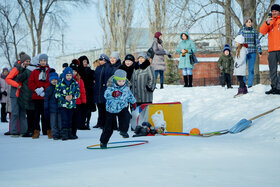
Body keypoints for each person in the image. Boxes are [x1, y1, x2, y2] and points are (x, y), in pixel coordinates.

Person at [100, 69, 136, 148]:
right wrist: (113, 94)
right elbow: (106, 95)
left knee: (126, 117)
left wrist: (133, 102)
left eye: (123, 81)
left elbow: (130, 96)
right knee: (109, 127)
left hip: (122, 107)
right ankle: (103, 141)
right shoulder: (110, 86)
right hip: (111, 109)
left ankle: (123, 131)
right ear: (115, 80)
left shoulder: (126, 88)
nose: (121, 83)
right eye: (119, 81)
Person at [6, 54, 31, 136]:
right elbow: (8, 79)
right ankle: (13, 131)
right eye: (27, 61)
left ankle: (23, 131)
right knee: (15, 112)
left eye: (29, 61)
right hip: (15, 94)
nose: (28, 63)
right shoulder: (16, 68)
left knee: (23, 113)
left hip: (23, 94)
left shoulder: (27, 69)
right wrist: (17, 85)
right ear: (23, 61)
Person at [28, 54, 51, 138]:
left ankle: (47, 130)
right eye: (41, 61)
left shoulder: (49, 71)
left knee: (46, 115)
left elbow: (50, 82)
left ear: (46, 61)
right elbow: (31, 83)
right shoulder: (35, 71)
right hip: (36, 96)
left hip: (45, 96)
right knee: (36, 115)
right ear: (39, 61)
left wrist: (44, 89)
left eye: (44, 61)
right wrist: (37, 89)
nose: (43, 62)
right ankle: (36, 130)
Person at [260, 4, 280, 94]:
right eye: (272, 11)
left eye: (276, 11)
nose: (274, 13)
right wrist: (267, 23)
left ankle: (279, 87)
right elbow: (262, 31)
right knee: (272, 70)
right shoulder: (269, 21)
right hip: (272, 50)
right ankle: (274, 87)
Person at [55, 67, 80, 141]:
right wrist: (64, 97)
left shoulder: (75, 83)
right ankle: (64, 134)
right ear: (64, 75)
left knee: (70, 119)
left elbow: (78, 93)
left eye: (70, 75)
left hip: (72, 105)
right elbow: (56, 94)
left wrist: (72, 96)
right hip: (63, 105)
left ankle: (70, 133)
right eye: (67, 75)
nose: (69, 77)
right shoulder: (60, 83)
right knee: (64, 119)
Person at [238, 17, 262, 88]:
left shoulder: (254, 31)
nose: (250, 23)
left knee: (251, 69)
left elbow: (257, 41)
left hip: (252, 52)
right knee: (243, 68)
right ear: (245, 23)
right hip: (244, 52)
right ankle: (243, 84)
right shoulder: (242, 31)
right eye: (248, 22)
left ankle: (250, 84)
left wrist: (259, 51)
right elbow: (239, 40)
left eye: (250, 22)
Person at [17, 58, 36, 137]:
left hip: (27, 95)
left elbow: (19, 78)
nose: (28, 63)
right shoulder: (35, 71)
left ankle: (30, 131)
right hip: (35, 94)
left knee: (29, 114)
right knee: (34, 114)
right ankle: (35, 129)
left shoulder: (27, 71)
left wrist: (21, 69)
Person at [93, 54, 111, 129]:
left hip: (104, 90)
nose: (101, 61)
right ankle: (100, 122)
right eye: (100, 60)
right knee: (100, 108)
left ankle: (105, 123)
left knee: (105, 108)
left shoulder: (108, 67)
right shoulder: (98, 68)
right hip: (98, 90)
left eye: (103, 60)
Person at [77, 56, 96, 130]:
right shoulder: (79, 70)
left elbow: (93, 77)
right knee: (82, 108)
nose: (85, 63)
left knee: (89, 108)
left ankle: (87, 122)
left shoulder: (90, 70)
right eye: (83, 62)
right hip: (81, 92)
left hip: (89, 92)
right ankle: (81, 122)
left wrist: (89, 71)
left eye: (86, 61)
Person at [71, 64, 86, 138]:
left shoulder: (80, 80)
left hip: (78, 102)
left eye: (75, 71)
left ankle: (74, 132)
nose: (73, 72)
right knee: (70, 118)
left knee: (76, 118)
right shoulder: (67, 79)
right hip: (69, 102)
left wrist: (83, 101)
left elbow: (82, 91)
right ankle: (69, 132)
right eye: (72, 71)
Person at [44, 71, 61, 140]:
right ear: (50, 80)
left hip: (59, 108)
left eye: (55, 80)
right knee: (53, 122)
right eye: (53, 80)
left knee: (59, 122)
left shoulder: (59, 88)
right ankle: (55, 134)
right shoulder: (49, 89)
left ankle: (60, 133)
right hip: (52, 109)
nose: (54, 81)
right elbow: (46, 99)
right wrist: (46, 107)